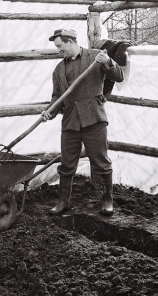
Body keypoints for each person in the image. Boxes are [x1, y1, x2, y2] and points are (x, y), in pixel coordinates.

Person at [41, 28, 124, 216]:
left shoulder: (96, 58)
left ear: (71, 41)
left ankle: (107, 199)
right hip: (71, 122)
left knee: (101, 162)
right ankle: (63, 201)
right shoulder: (58, 70)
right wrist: (50, 112)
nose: (59, 50)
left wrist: (109, 62)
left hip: (93, 119)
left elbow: (119, 76)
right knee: (67, 164)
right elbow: (57, 97)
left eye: (60, 46)